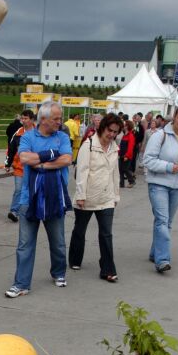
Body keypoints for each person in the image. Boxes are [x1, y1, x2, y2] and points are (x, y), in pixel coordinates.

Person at [4, 101, 72, 298]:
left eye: (60, 118)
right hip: (29, 198)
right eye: (56, 119)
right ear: (43, 120)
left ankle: (59, 272)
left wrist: (42, 165)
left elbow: (67, 159)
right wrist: (51, 155)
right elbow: (24, 158)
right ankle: (21, 284)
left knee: (58, 241)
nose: (60, 122)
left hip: (55, 197)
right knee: (25, 244)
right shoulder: (28, 137)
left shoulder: (62, 137)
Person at [143, 103, 178, 274]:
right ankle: (163, 259)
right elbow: (148, 159)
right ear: (174, 117)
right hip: (159, 183)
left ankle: (155, 252)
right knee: (162, 220)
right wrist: (168, 167)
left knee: (166, 222)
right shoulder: (160, 135)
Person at [68, 113, 123, 282]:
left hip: (106, 198)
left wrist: (115, 196)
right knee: (80, 229)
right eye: (109, 130)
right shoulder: (89, 144)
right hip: (88, 196)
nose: (112, 135)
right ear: (102, 127)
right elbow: (82, 170)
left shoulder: (114, 147)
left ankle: (107, 269)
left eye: (115, 132)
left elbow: (115, 173)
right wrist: (81, 195)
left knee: (106, 234)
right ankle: (75, 259)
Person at [5, 109, 36, 222]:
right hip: (19, 167)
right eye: (22, 118)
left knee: (31, 190)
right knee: (18, 189)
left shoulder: (38, 132)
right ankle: (14, 211)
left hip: (33, 168)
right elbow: (11, 149)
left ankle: (32, 211)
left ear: (32, 119)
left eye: (25, 118)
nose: (23, 121)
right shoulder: (18, 133)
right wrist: (8, 163)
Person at [119, 120, 136, 187]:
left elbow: (130, 147)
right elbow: (121, 145)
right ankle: (121, 183)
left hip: (126, 155)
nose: (124, 126)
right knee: (121, 170)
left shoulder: (130, 135)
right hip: (121, 154)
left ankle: (132, 181)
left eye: (125, 125)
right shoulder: (124, 135)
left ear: (128, 126)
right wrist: (118, 152)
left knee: (125, 169)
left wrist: (127, 156)